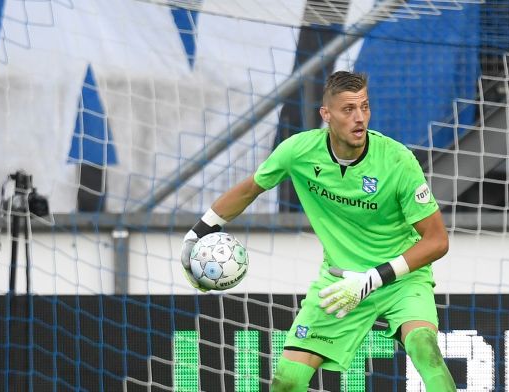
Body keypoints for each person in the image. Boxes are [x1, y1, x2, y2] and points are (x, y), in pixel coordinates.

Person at [180, 71, 456, 391]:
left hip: (400, 280)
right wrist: (197, 232)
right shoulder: (298, 151)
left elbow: (437, 240)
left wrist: (372, 279)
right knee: (286, 382)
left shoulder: (397, 161)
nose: (359, 118)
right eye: (348, 109)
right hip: (338, 282)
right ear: (326, 115)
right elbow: (250, 189)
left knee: (425, 348)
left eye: (364, 107)